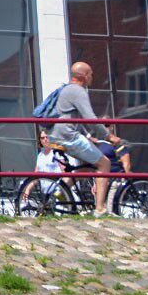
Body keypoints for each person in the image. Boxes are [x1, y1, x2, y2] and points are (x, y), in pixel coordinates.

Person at [46, 62, 114, 215]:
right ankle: (100, 209)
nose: (92, 77)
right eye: (90, 74)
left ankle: (63, 189)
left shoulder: (65, 89)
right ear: (83, 76)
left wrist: (90, 137)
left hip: (57, 135)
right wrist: (108, 136)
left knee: (89, 164)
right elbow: (90, 117)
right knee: (104, 164)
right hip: (68, 136)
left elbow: (75, 118)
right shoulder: (78, 91)